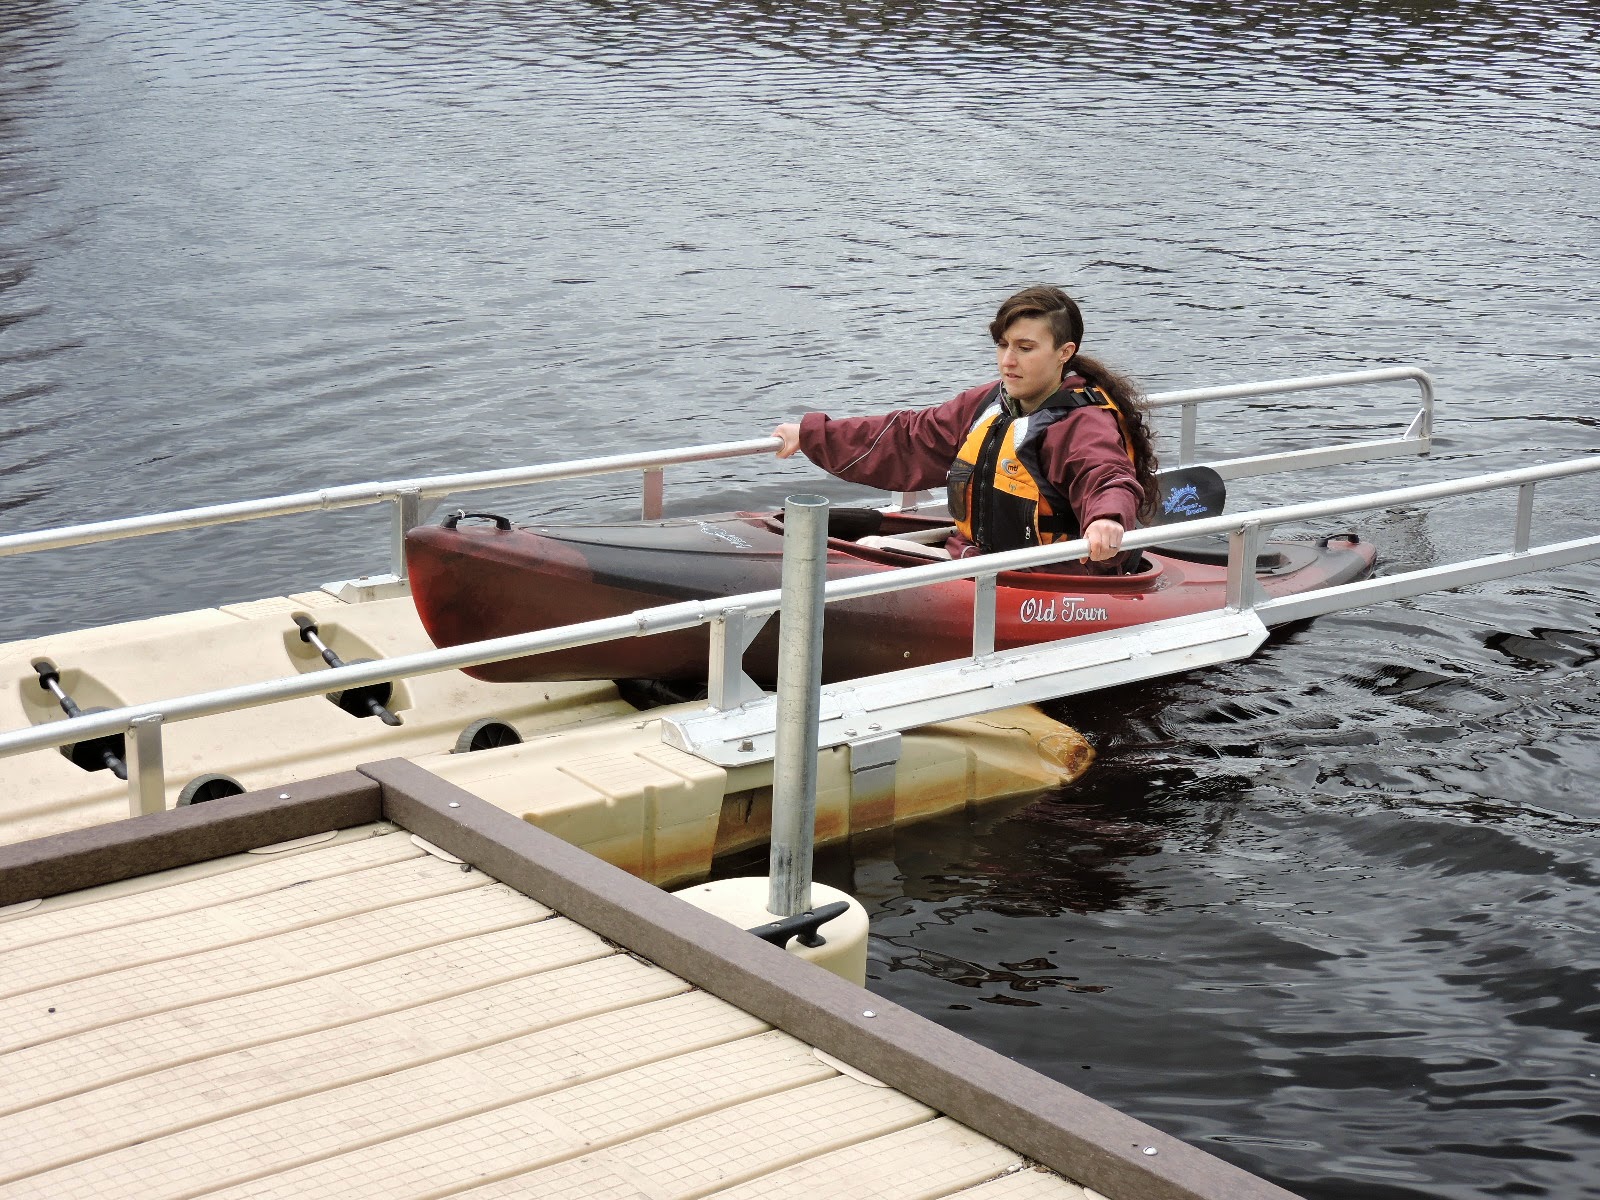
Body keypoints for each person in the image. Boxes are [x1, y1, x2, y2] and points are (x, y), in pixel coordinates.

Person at [772, 285, 1159, 570]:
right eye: (1002, 345)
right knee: (872, 544)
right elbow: (910, 437)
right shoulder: (989, 403)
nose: (1008, 361)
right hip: (979, 560)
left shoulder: (1082, 422)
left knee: (875, 552)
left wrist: (1107, 519)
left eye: (1025, 348)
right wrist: (810, 435)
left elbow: (1106, 475)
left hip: (1049, 575)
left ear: (1065, 353)